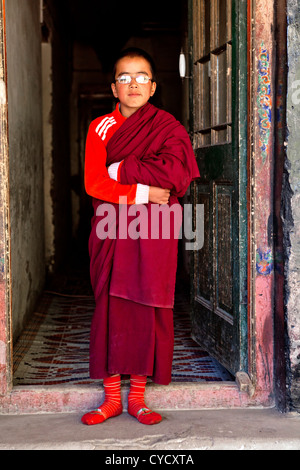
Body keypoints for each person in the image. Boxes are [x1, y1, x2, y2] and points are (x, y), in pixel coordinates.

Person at [81, 48, 199, 426]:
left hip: (155, 229)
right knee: (111, 308)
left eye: (142, 77)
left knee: (149, 307)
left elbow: (177, 175)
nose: (133, 84)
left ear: (153, 87)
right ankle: (112, 399)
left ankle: (138, 400)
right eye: (125, 77)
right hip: (113, 227)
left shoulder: (170, 128)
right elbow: (94, 183)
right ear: (113, 87)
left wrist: (125, 168)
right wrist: (144, 191)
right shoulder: (100, 128)